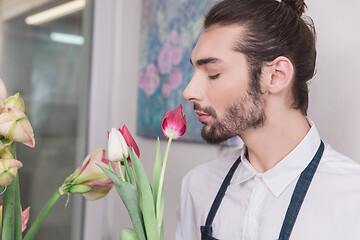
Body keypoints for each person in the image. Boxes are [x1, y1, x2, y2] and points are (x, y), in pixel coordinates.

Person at [175, 0, 360, 239]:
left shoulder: (353, 199)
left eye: (213, 74)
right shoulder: (197, 185)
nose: (189, 91)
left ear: (276, 75)